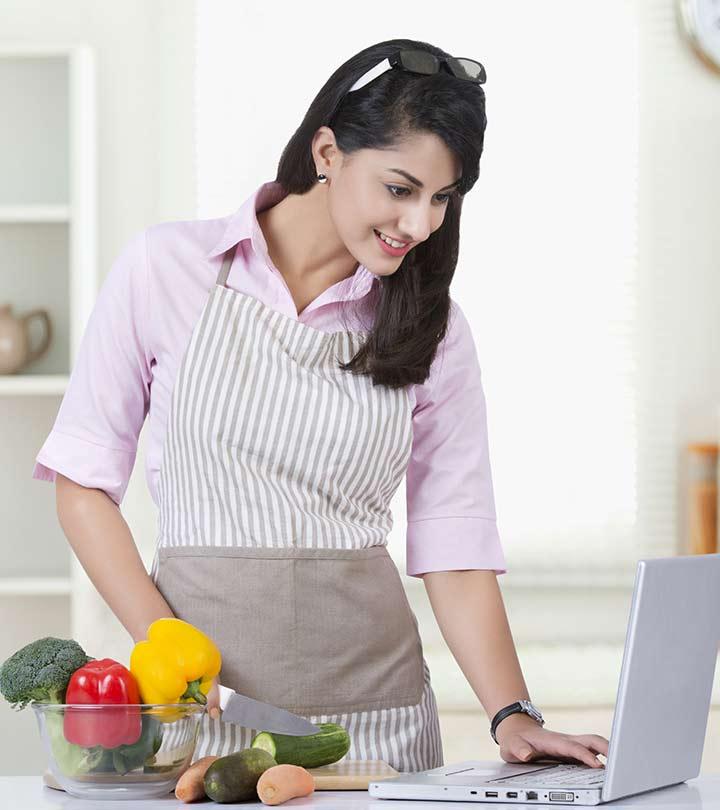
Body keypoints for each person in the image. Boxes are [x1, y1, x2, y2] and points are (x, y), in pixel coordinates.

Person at [32, 38, 609, 772]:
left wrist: (512, 714)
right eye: (400, 189)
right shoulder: (166, 270)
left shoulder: (433, 328)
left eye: (441, 198)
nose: (420, 225)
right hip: (202, 720)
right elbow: (83, 483)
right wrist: (162, 641)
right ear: (328, 152)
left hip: (383, 726)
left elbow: (454, 543)